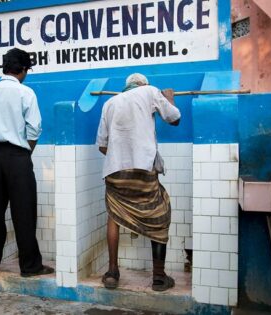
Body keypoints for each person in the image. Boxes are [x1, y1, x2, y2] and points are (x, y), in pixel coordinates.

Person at [96, 73, 181, 291]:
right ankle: (159, 277)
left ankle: (112, 272)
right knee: (159, 213)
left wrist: (121, 157)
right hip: (143, 168)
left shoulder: (109, 102)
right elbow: (174, 119)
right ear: (143, 84)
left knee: (114, 215)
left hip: (115, 170)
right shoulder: (150, 91)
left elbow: (102, 146)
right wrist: (169, 98)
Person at [0, 48, 54, 277]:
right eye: (27, 70)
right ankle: (30, 266)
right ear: (21, 69)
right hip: (18, 156)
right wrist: (25, 153)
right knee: (24, 212)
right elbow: (34, 129)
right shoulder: (25, 93)